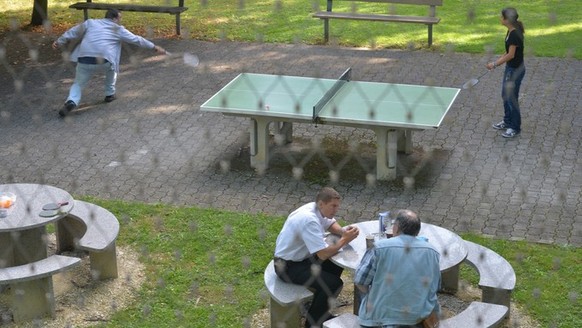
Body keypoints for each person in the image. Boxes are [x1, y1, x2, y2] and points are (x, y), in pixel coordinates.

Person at [52, 9, 166, 117]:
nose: (120, 20)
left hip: (84, 58)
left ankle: (71, 101)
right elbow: (137, 39)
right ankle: (109, 94)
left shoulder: (90, 23)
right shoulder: (118, 29)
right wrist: (154, 47)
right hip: (105, 60)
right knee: (112, 70)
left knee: (78, 83)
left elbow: (73, 32)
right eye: (120, 18)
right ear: (115, 18)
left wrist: (59, 41)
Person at [273, 187, 359, 327]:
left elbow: (330, 223)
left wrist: (342, 231)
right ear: (321, 204)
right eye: (333, 206)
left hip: (302, 259)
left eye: (337, 206)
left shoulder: (316, 209)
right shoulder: (309, 219)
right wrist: (345, 239)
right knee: (334, 283)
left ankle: (319, 309)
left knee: (335, 263)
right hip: (287, 267)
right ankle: (314, 322)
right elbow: (323, 254)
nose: (336, 209)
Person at [354, 210, 440, 328]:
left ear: (396, 227)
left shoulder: (378, 248)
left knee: (367, 292)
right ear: (417, 231)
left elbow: (360, 281)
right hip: (417, 318)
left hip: (379, 319)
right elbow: (435, 286)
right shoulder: (433, 252)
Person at [487, 7, 526, 138]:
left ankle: (514, 127)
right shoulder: (510, 31)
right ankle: (507, 121)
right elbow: (507, 52)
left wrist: (495, 64)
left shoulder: (515, 34)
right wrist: (497, 61)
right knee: (505, 95)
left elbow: (511, 55)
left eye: (502, 17)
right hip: (510, 69)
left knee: (511, 98)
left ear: (507, 20)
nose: (500, 19)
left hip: (515, 71)